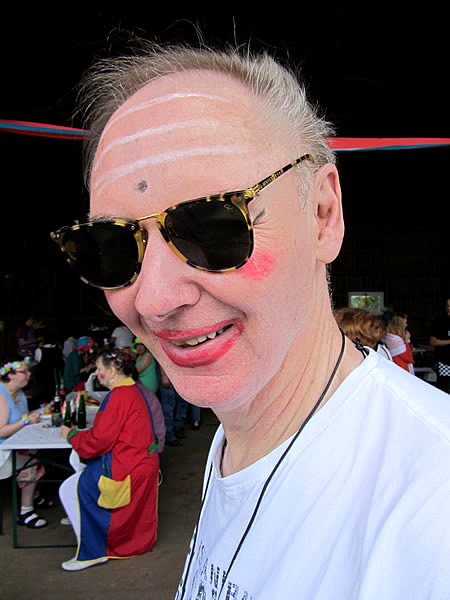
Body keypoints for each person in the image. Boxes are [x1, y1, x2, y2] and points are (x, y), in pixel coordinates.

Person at [51, 44, 450, 598]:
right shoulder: (234, 442)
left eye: (215, 225)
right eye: (111, 246)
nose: (156, 299)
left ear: (322, 215)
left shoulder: (432, 508)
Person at [59, 349, 159, 571]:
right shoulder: (131, 389)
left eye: (99, 369)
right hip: (140, 462)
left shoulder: (119, 396)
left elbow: (99, 441)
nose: (97, 373)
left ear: (113, 370)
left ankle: (94, 551)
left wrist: (72, 436)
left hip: (128, 465)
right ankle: (79, 518)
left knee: (73, 489)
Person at [0, 360, 52, 529]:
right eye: (24, 372)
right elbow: (1, 431)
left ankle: (33, 495)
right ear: (10, 375)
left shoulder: (18, 392)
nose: (29, 374)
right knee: (31, 462)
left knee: (39, 453)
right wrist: (26, 421)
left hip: (16, 442)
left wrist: (40, 411)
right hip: (4, 447)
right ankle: (25, 511)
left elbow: (21, 417)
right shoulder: (1, 395)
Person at [429, 297, 450, 393]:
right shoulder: (439, 321)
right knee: (444, 388)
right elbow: (432, 341)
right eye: (448, 306)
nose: (449, 308)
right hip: (444, 361)